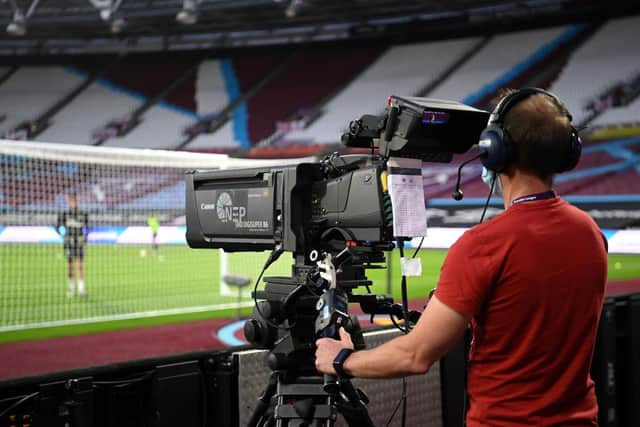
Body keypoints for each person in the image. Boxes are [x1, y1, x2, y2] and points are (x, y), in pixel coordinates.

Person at [315, 88, 608, 426]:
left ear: (494, 151)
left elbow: (416, 355)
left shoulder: (483, 245)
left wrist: (341, 360)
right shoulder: (589, 232)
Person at [56, 193, 90, 297]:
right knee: (70, 266)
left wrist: (84, 237)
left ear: (77, 201)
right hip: (69, 243)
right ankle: (70, 288)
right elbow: (58, 227)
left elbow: (88, 228)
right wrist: (64, 235)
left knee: (80, 266)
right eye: (71, 201)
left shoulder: (82, 214)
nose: (73, 203)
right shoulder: (65, 214)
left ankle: (81, 289)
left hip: (78, 243)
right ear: (69, 202)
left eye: (74, 201)